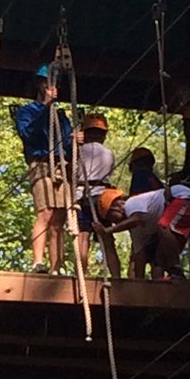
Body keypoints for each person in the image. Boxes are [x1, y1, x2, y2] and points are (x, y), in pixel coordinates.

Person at [98, 171, 190, 282]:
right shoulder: (136, 231)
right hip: (183, 206)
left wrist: (108, 231)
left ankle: (177, 271)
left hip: (181, 198)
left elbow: (137, 218)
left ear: (116, 207)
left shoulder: (131, 204)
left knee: (163, 226)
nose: (113, 222)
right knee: (160, 256)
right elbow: (139, 255)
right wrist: (138, 285)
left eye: (110, 217)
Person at [13, 65, 76, 274]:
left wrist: (76, 140)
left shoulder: (61, 116)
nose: (55, 89)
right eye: (51, 85)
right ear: (41, 86)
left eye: (57, 85)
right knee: (46, 212)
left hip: (60, 165)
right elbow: (27, 133)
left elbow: (66, 141)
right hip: (40, 163)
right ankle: (38, 262)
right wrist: (47, 108)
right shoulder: (27, 111)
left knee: (59, 217)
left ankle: (56, 266)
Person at [76, 112, 120, 277]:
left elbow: (73, 173)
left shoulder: (79, 151)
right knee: (107, 238)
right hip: (104, 198)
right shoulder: (108, 153)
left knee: (83, 237)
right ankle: (116, 276)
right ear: (103, 134)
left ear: (85, 132)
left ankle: (81, 274)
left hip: (82, 195)